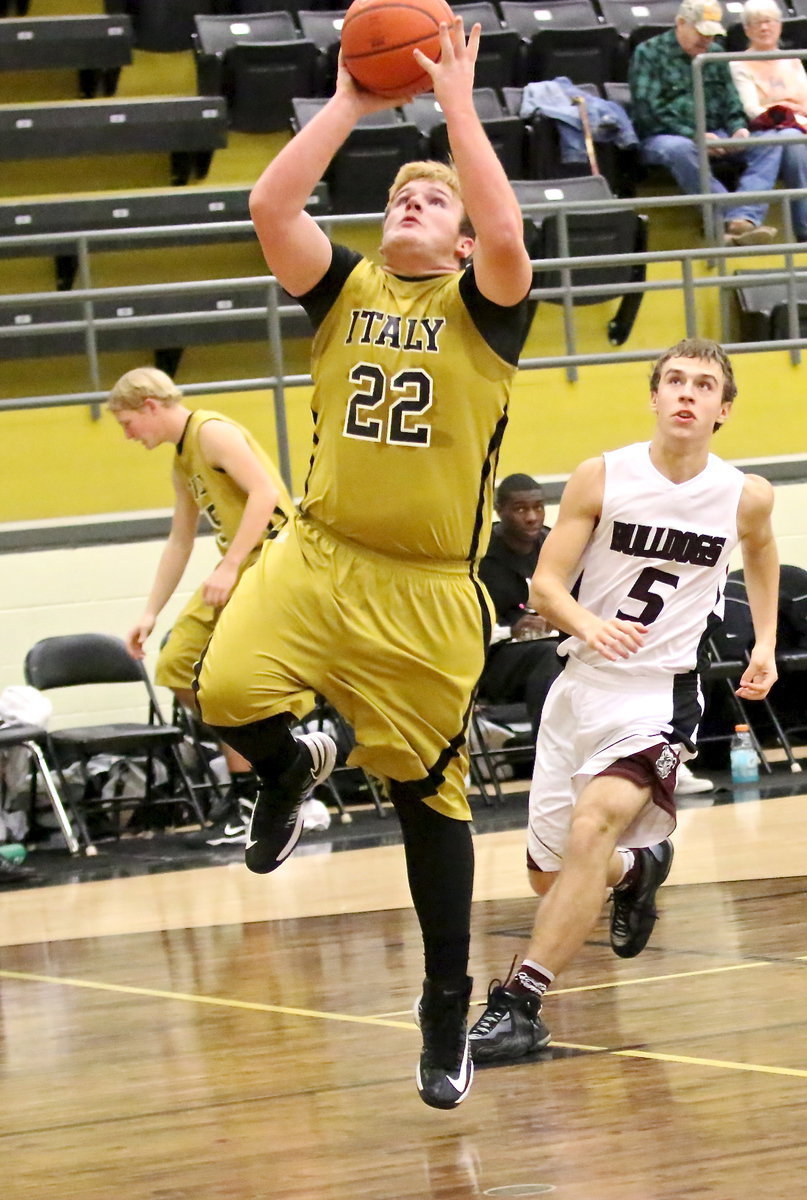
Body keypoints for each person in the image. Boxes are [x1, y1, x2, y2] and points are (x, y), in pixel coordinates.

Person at [194, 19, 533, 1111]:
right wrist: (348, 101)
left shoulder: (486, 313)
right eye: (397, 198)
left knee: (426, 800)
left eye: (428, 203)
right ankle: (293, 765)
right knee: (223, 690)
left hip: (430, 587)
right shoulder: (343, 291)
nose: (406, 206)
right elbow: (268, 208)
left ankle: (444, 1002)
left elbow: (507, 225)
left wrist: (457, 112)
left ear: (464, 243)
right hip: (321, 555)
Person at [468, 337, 779, 1064]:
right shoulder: (600, 476)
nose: (685, 393)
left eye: (702, 385)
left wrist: (762, 642)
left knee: (591, 827)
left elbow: (761, 552)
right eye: (673, 380)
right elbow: (545, 587)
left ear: (721, 410)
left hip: (657, 695)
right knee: (552, 873)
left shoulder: (744, 494)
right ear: (652, 396)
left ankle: (520, 1002)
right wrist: (586, 624)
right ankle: (639, 870)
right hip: (579, 688)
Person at [107, 367, 293, 844]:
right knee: (177, 665)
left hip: (275, 563)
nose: (128, 435)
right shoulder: (183, 458)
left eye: (128, 423)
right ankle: (272, 770)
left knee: (229, 679)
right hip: (242, 569)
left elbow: (266, 494)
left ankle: (266, 786)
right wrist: (149, 612)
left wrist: (229, 565)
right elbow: (179, 542)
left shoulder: (212, 431)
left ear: (150, 405)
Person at [629, 0, 781, 246]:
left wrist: (738, 129)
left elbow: (731, 101)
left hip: (717, 132)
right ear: (681, 24)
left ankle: (745, 218)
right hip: (665, 137)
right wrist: (696, 135)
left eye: (712, 35)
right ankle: (730, 217)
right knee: (680, 149)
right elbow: (649, 111)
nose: (707, 40)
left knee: (771, 141)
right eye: (701, 33)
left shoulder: (716, 54)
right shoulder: (649, 53)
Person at [478, 474, 563, 740]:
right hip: (493, 660)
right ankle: (546, 753)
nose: (532, 517)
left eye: (538, 507)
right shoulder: (480, 556)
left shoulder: (553, 545)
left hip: (549, 644)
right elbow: (461, 624)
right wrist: (510, 630)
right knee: (549, 655)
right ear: (499, 510)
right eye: (520, 509)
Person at [729, 0, 807, 241]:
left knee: (791, 138)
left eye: (769, 21)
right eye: (757, 23)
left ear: (779, 26)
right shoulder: (738, 63)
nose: (764, 28)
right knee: (789, 139)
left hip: (798, 126)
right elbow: (753, 110)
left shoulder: (793, 60)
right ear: (747, 30)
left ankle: (750, 216)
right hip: (765, 130)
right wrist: (790, 110)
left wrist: (789, 110)